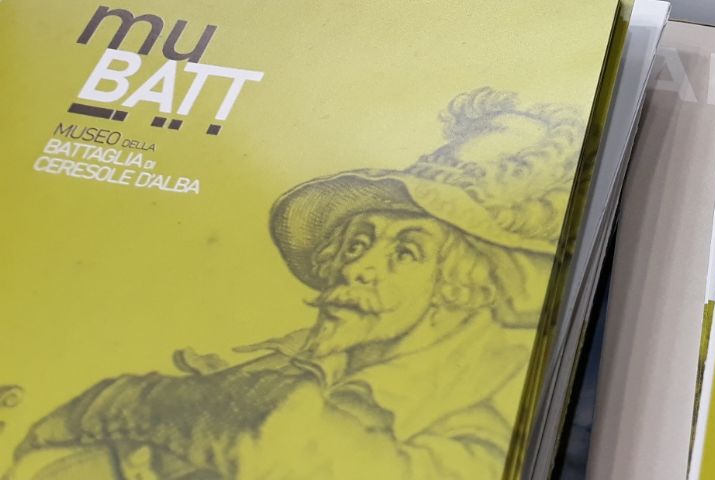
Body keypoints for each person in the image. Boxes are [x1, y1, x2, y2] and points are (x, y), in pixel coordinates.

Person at [13, 89, 588, 480]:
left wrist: (132, 401)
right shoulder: (292, 360)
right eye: (357, 243)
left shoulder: (501, 390)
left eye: (406, 253)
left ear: (459, 286)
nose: (359, 269)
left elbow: (285, 442)